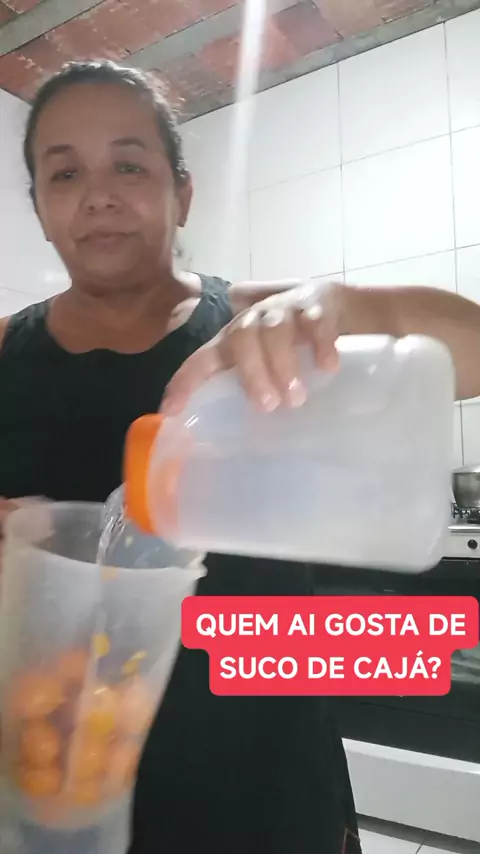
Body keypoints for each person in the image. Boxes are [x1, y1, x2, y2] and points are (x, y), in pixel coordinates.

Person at [1, 60, 480, 854]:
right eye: (65, 173)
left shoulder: (256, 321)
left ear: (182, 194)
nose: (99, 195)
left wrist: (335, 305)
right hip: (66, 771)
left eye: (129, 165)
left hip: (265, 766)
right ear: (40, 210)